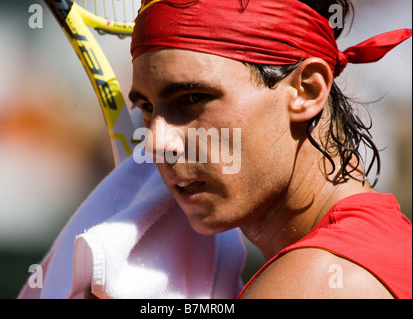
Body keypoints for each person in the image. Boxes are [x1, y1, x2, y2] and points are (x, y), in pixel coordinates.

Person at [129, 0, 412, 298]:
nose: (155, 142)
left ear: (306, 91)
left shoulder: (314, 282)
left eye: (192, 97)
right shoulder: (381, 245)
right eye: (146, 108)